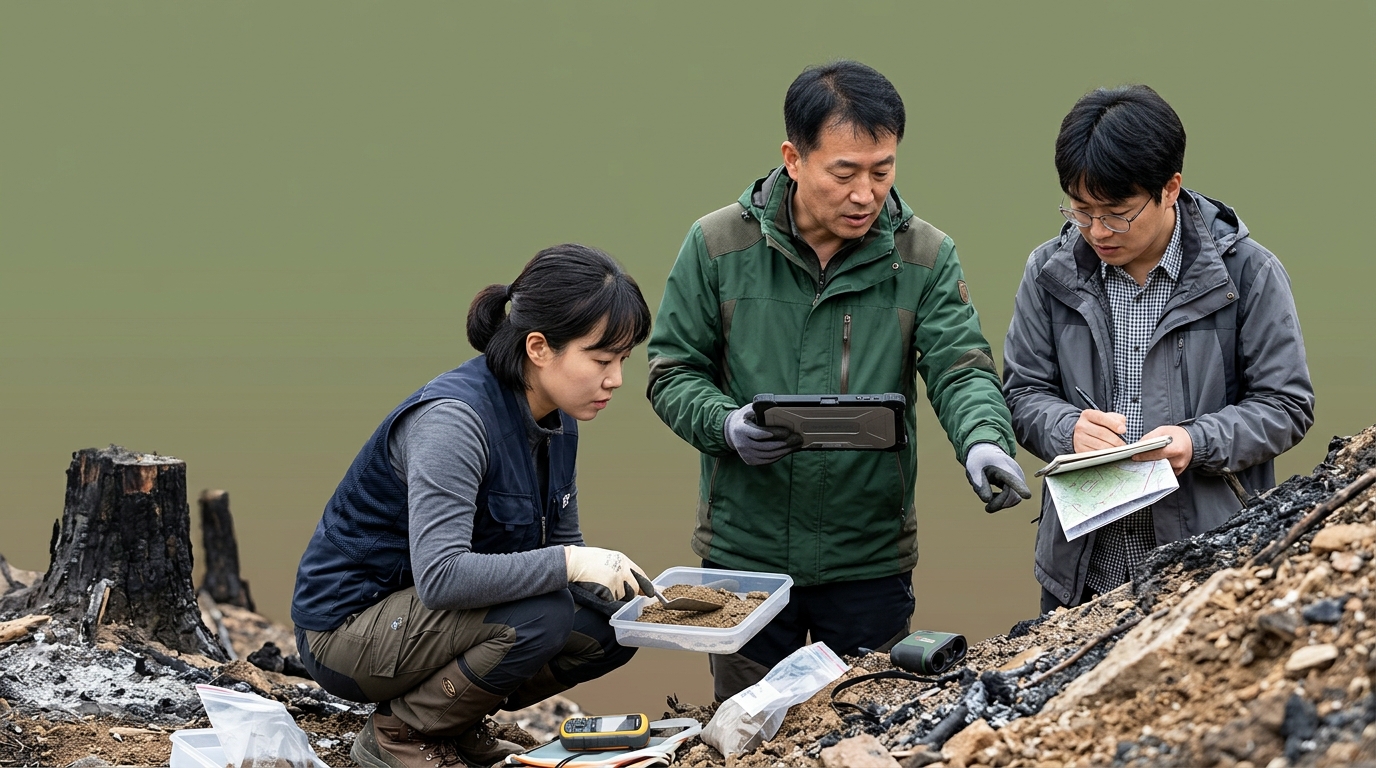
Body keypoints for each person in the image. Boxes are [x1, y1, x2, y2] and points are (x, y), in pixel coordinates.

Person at [646, 60, 1029, 701]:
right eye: (844, 173)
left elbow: (959, 366)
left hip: (868, 561)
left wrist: (984, 438)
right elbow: (672, 370)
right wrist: (726, 425)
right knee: (751, 731)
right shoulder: (717, 247)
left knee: (864, 724)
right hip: (745, 562)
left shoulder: (924, 257)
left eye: (883, 171)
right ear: (793, 159)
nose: (865, 194)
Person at [291, 244, 653, 768]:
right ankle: (400, 733)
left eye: (622, 360)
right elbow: (442, 577)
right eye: (600, 360)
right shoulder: (453, 423)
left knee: (613, 624)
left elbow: (559, 547)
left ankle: (455, 722)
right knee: (543, 614)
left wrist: (638, 598)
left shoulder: (557, 417)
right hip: (349, 630)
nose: (615, 379)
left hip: (433, 622)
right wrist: (575, 564)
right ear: (538, 347)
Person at [1002, 85, 1315, 613]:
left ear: (1170, 188)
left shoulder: (1247, 274)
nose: (1097, 231)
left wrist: (1196, 442)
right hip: (1082, 573)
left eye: (1117, 213)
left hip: (1208, 570)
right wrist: (1067, 428)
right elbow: (1023, 392)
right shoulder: (1049, 272)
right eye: (1080, 211)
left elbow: (1286, 405)